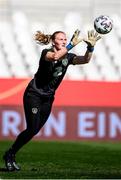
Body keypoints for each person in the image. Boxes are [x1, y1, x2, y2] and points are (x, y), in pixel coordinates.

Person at [3, 29, 101, 171]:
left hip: (48, 98)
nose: (64, 41)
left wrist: (90, 47)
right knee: (32, 128)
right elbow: (55, 57)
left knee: (35, 130)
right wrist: (71, 45)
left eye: (65, 40)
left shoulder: (68, 56)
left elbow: (85, 60)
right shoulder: (46, 53)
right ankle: (10, 154)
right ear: (53, 41)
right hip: (34, 95)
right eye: (61, 39)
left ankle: (10, 154)